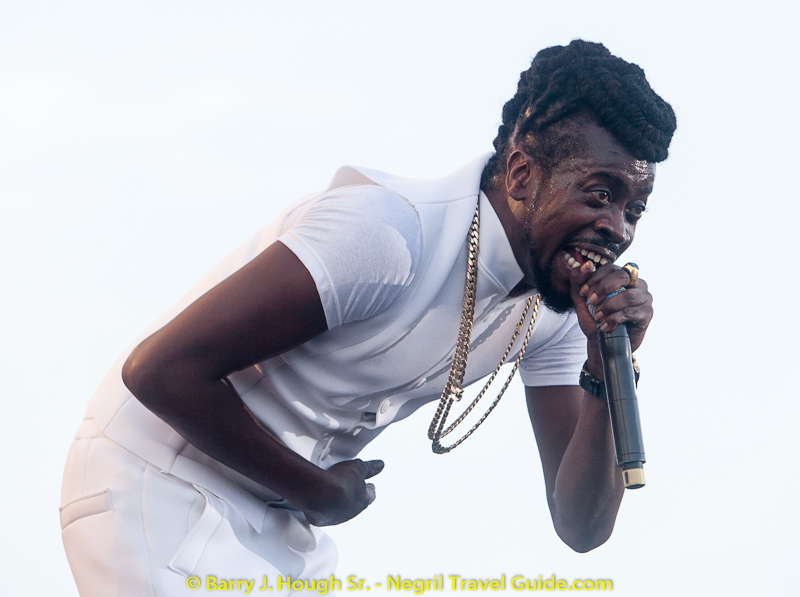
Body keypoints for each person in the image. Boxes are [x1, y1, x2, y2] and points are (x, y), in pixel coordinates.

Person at [60, 39, 676, 596]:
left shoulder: (557, 316)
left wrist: (605, 368)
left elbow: (581, 527)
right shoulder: (387, 234)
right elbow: (158, 372)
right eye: (600, 195)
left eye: (635, 210)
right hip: (156, 482)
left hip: (281, 524)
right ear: (521, 174)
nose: (618, 229)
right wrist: (320, 492)